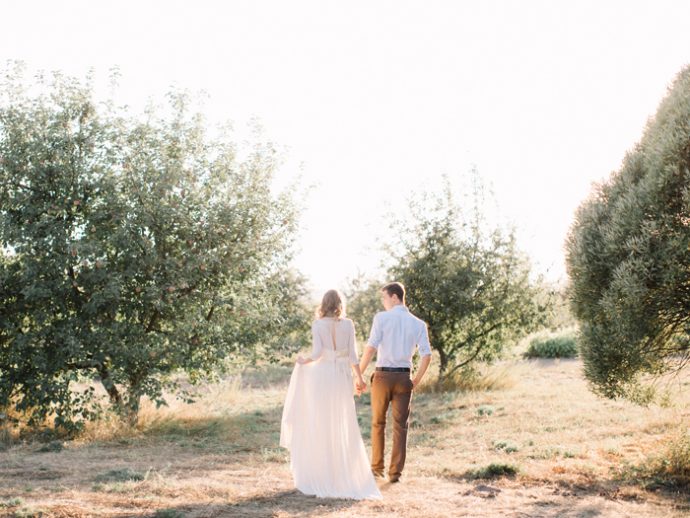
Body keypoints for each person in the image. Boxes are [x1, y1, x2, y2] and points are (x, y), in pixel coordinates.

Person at [280, 289, 382, 500]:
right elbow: (353, 355)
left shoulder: (318, 325)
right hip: (342, 377)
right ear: (340, 304)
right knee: (342, 421)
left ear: (324, 304)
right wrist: (360, 378)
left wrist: (303, 361)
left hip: (323, 376)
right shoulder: (349, 324)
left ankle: (323, 474)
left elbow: (317, 354)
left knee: (322, 423)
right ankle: (342, 474)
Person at [359, 282, 432, 483]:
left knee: (377, 423)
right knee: (401, 427)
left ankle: (376, 470)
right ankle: (395, 474)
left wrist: (360, 374)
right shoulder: (418, 324)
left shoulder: (381, 318)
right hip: (403, 377)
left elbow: (371, 347)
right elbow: (427, 355)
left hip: (382, 377)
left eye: (384, 298)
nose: (383, 303)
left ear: (394, 297)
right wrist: (415, 380)